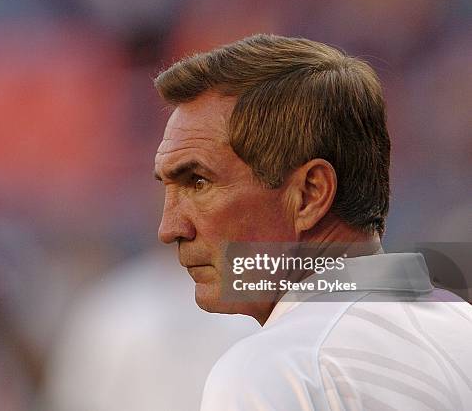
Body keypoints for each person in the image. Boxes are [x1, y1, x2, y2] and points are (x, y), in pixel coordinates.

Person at [153, 34, 472, 410]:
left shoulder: (277, 369)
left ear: (309, 194)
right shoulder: (464, 327)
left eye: (198, 182)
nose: (169, 228)